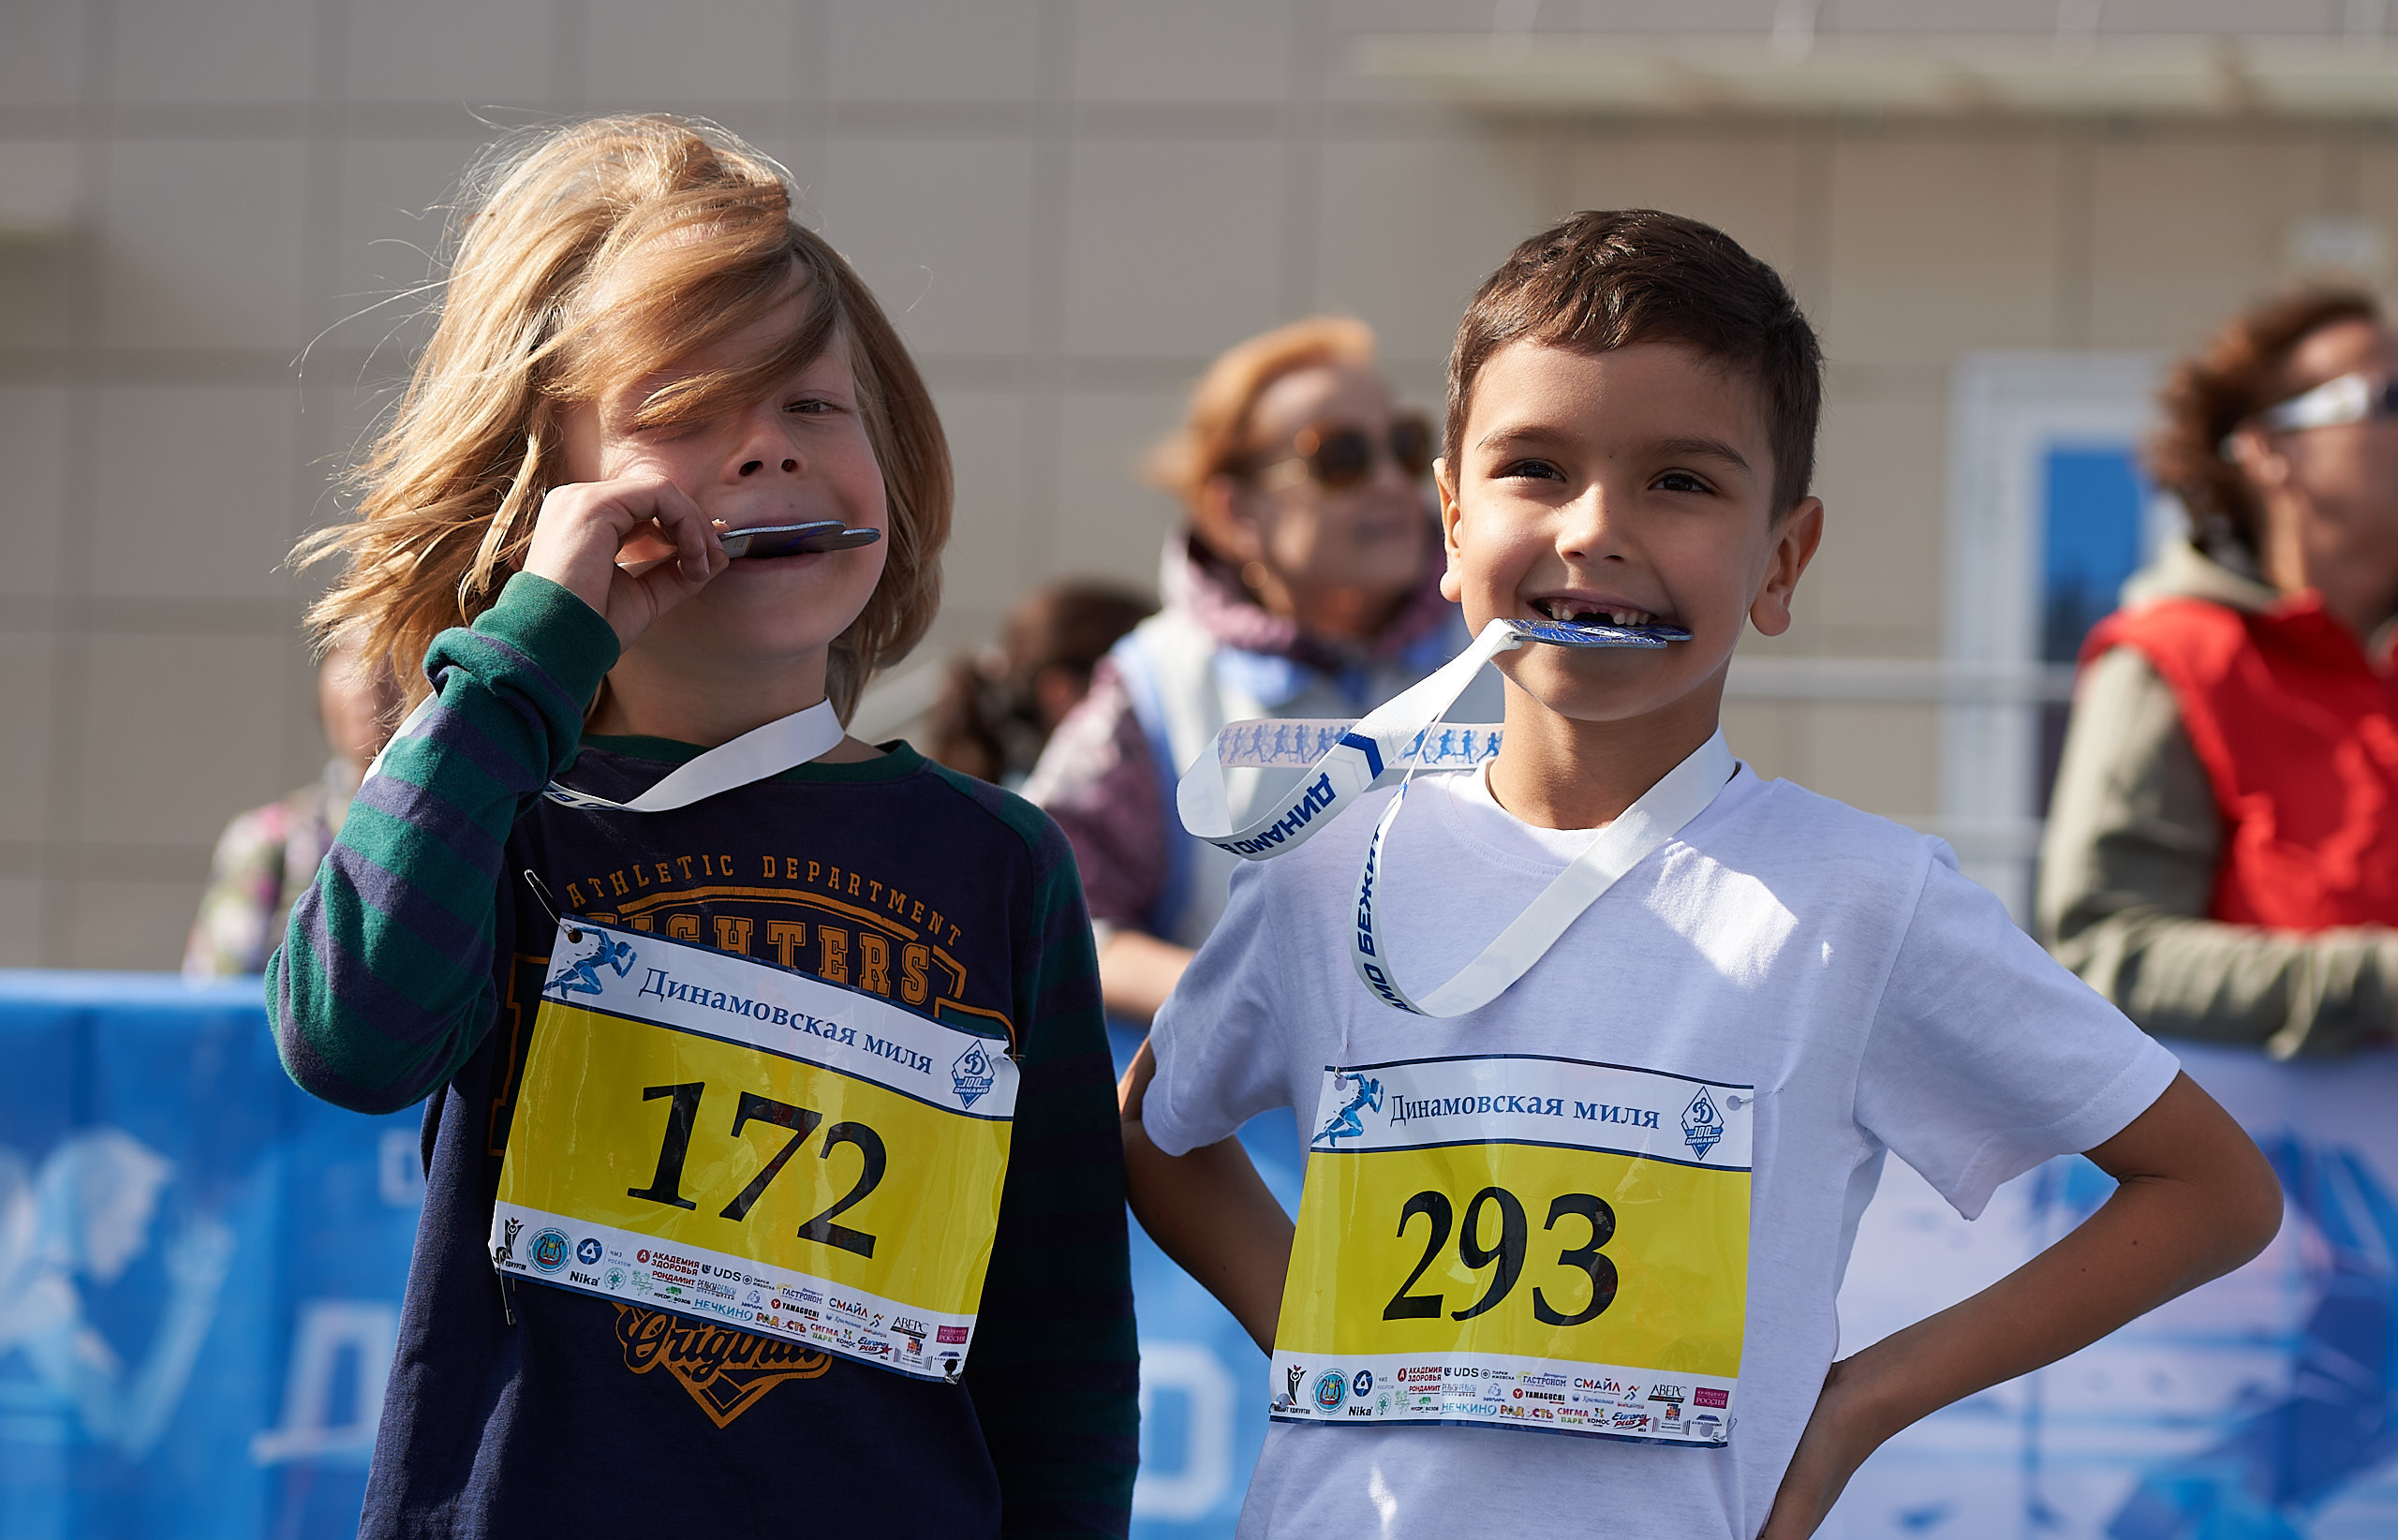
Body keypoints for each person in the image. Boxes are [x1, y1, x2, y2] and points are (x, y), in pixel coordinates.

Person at [1118, 210, 2282, 1539]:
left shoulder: (1863, 899)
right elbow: (1157, 1133)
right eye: (1536, 468)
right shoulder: (1335, 860)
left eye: (1682, 481)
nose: (1595, 530)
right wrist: (1320, 1336)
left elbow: (2216, 1190)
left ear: (1782, 560)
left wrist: (1858, 1407)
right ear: (1449, 522)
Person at [265, 115, 1134, 1536]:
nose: (766, 453)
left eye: (811, 405)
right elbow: (347, 1040)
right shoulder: (497, 816)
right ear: (544, 491)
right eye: (684, 410)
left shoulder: (1001, 862)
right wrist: (527, 650)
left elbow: (1059, 1345)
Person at [1027, 317, 1499, 1023]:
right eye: (1340, 457)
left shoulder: (1505, 653)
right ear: (1233, 510)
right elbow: (1048, 920)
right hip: (1248, 1134)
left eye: (1403, 446)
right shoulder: (1155, 685)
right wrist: (1256, 1005)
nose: (1388, 483)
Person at [2041, 289, 2398, 1057]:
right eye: (2390, 397)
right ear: (2270, 449)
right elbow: (2106, 952)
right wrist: (2375, 982)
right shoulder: (2173, 660)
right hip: (2289, 1171)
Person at [182, 632, 399, 977]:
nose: (369, 679)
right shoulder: (268, 840)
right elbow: (215, 1009)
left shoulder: (461, 838)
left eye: (393, 658)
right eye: (347, 654)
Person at [922, 581, 1153, 787]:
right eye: (1119, 684)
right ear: (1059, 692)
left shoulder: (1007, 808)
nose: (1154, 707)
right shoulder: (1046, 819)